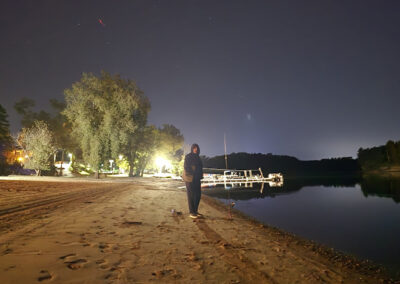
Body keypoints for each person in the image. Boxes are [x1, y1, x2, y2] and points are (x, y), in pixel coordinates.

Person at [183, 143, 203, 219]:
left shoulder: (199, 158)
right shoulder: (188, 156)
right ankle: (192, 212)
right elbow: (186, 167)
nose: (196, 149)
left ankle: (195, 211)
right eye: (194, 148)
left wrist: (200, 176)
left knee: (198, 195)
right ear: (192, 148)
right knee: (190, 195)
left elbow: (200, 168)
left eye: (197, 148)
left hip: (197, 178)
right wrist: (193, 172)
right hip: (189, 178)